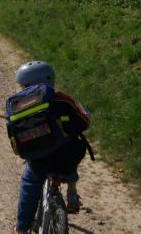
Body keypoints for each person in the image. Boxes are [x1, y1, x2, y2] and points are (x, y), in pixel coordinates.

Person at [12, 61, 91, 234]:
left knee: (30, 184)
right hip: (65, 157)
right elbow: (82, 123)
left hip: (39, 160)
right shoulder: (63, 99)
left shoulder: (17, 106)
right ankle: (71, 193)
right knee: (72, 147)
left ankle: (22, 228)